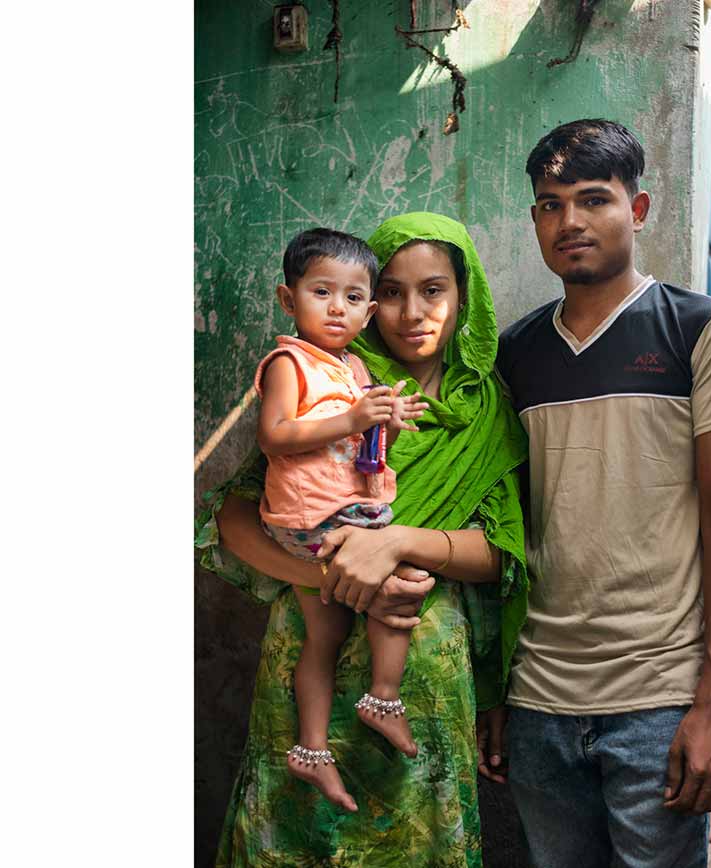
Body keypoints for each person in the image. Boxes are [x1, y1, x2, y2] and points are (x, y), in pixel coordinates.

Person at [195, 212, 528, 866]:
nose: (411, 312)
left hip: (422, 694)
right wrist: (332, 578)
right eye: (394, 292)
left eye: (433, 290)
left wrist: (397, 543)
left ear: (465, 298)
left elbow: (501, 553)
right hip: (310, 665)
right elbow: (233, 519)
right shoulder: (329, 379)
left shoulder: (488, 414)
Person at [480, 119, 711, 868]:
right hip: (538, 697)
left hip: (659, 699)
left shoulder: (700, 331)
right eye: (549, 204)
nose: (569, 221)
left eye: (592, 199)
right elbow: (506, 529)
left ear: (636, 211)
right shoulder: (515, 354)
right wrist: (496, 694)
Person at [254, 228, 431, 808]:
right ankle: (383, 697)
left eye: (353, 298)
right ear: (289, 299)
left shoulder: (352, 366)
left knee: (323, 639)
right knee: (401, 592)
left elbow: (360, 435)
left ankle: (311, 752)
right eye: (322, 292)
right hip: (312, 516)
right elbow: (276, 436)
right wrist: (353, 419)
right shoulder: (289, 362)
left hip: (339, 508)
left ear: (369, 310)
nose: (337, 308)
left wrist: (387, 417)